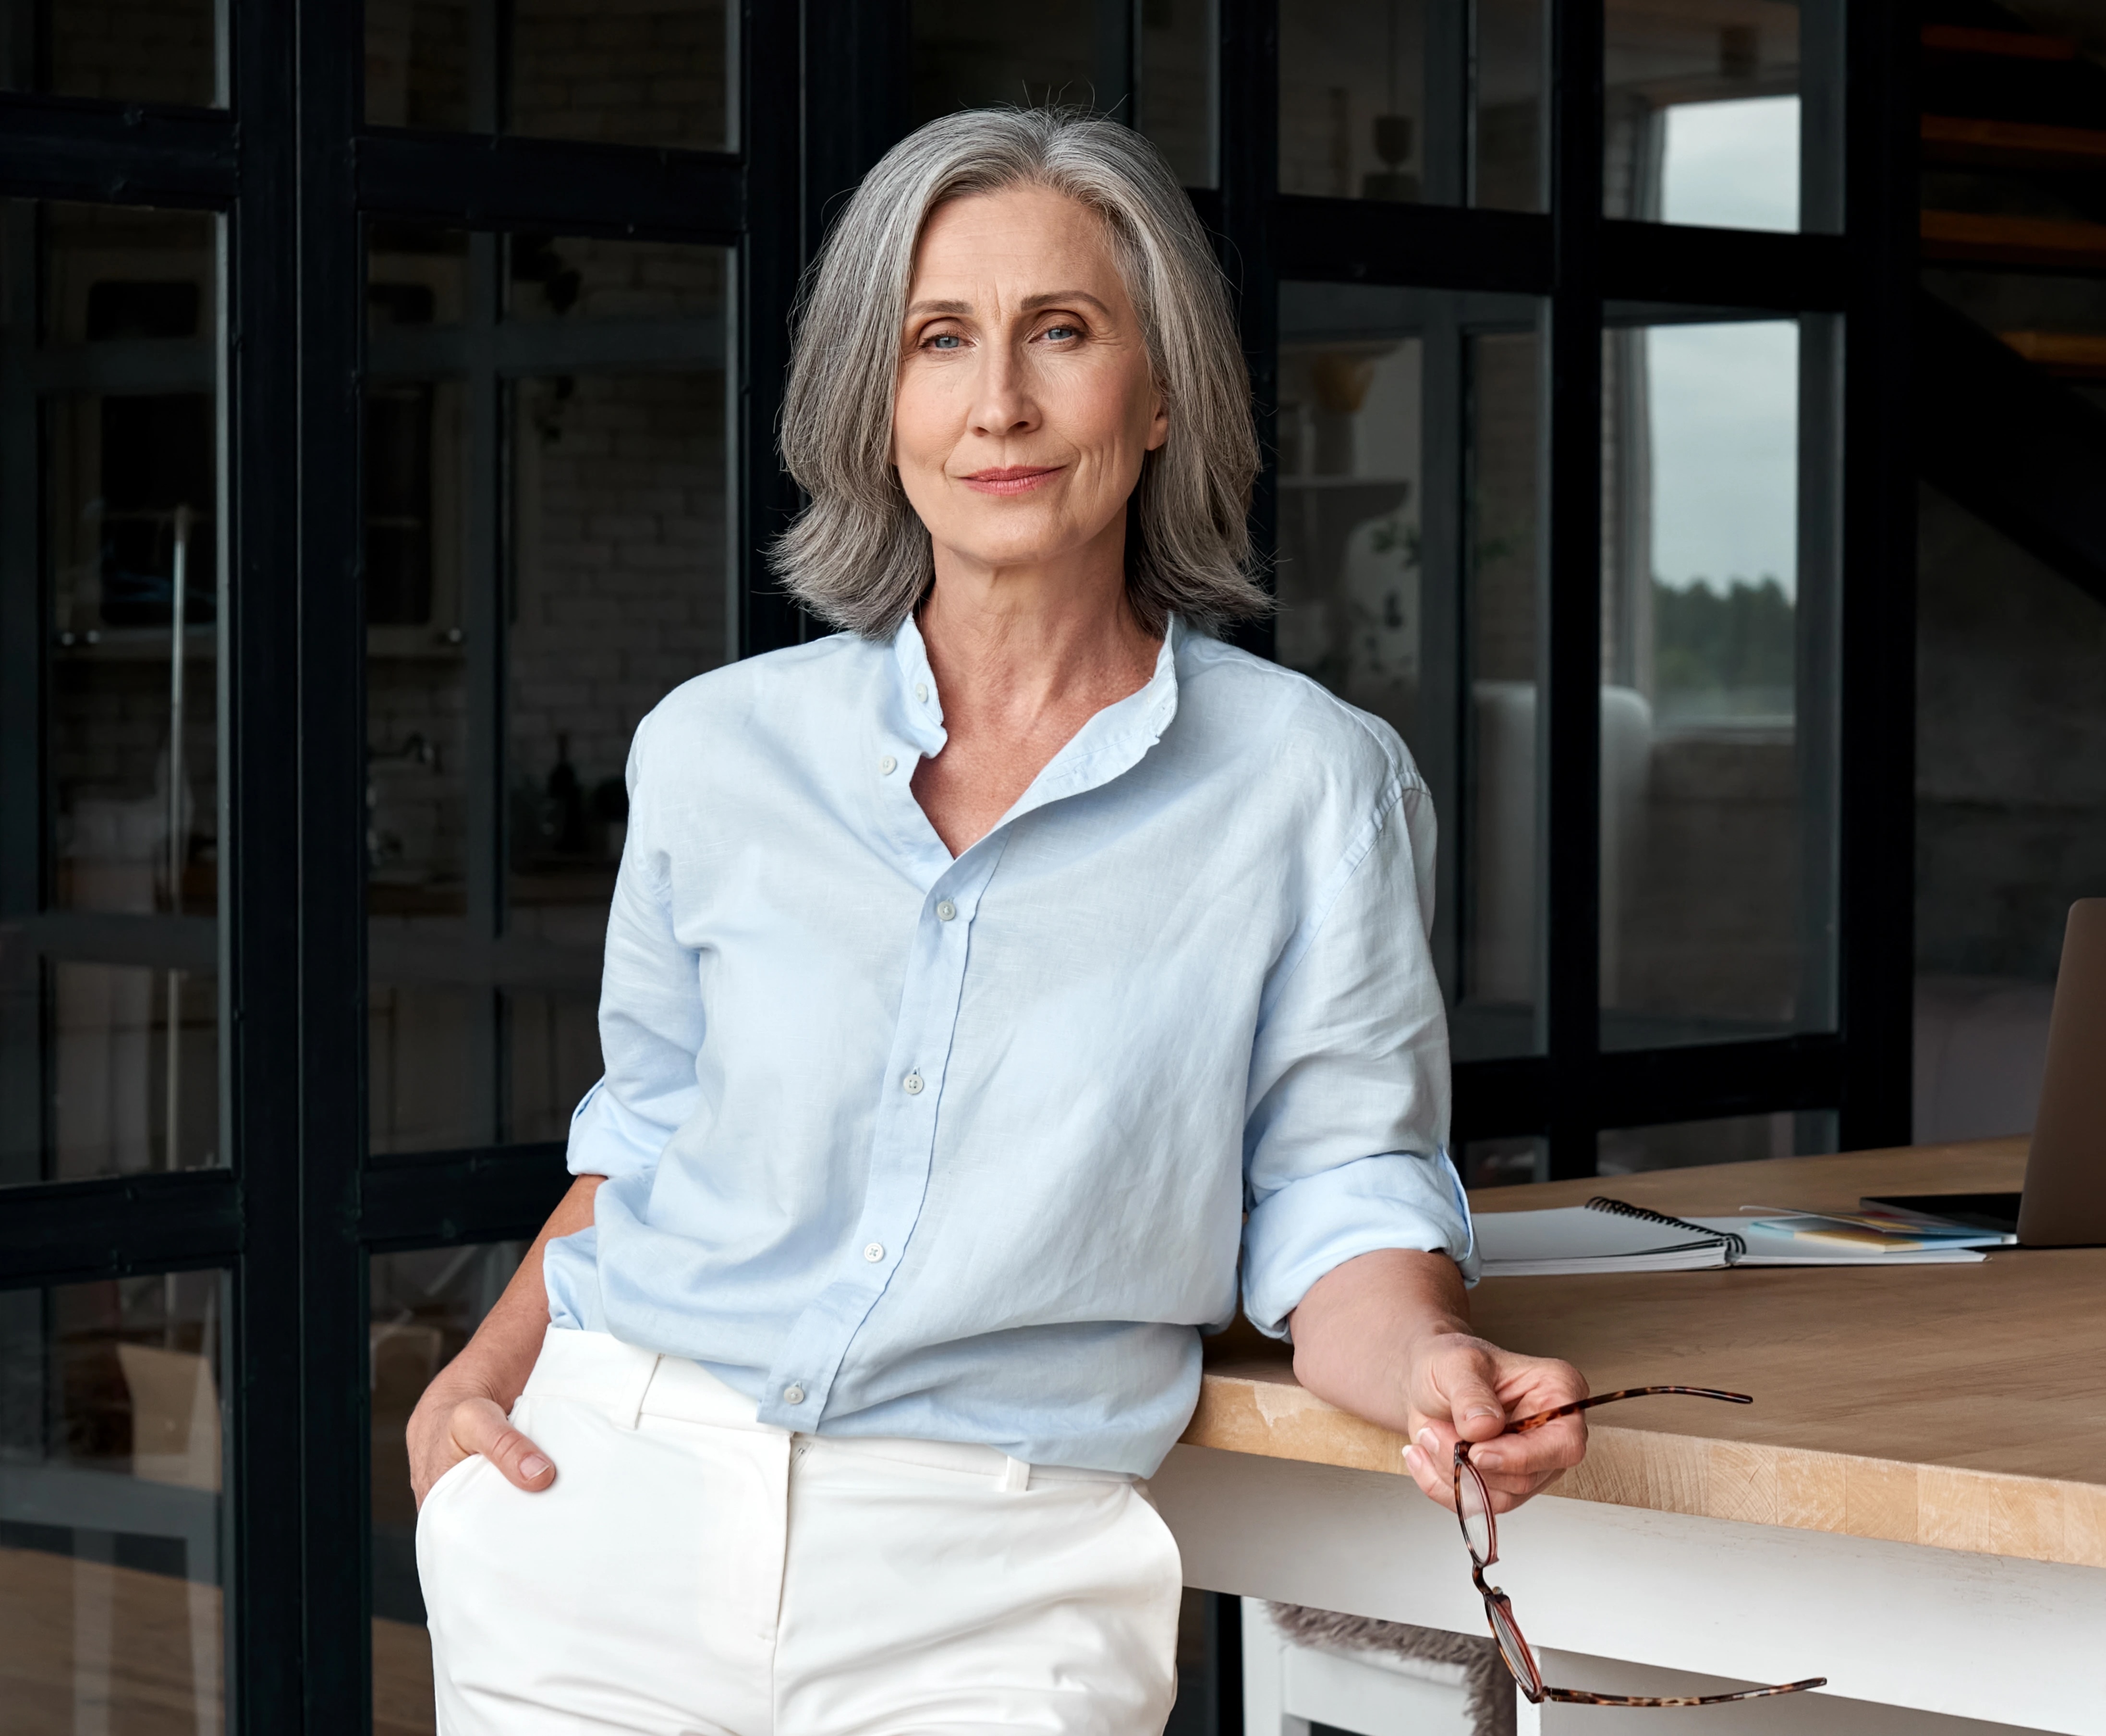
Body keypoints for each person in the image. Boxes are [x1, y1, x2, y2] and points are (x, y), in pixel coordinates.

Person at [406, 106, 1590, 1736]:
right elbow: (649, 1135)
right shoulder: (713, 748)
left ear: (1160, 389)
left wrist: (1432, 1366)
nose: (1000, 404)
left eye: (1063, 332)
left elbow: (1341, 1190)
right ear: (873, 402)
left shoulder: (1313, 786)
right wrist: (485, 1369)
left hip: (996, 1574)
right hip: (604, 1513)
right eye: (938, 340)